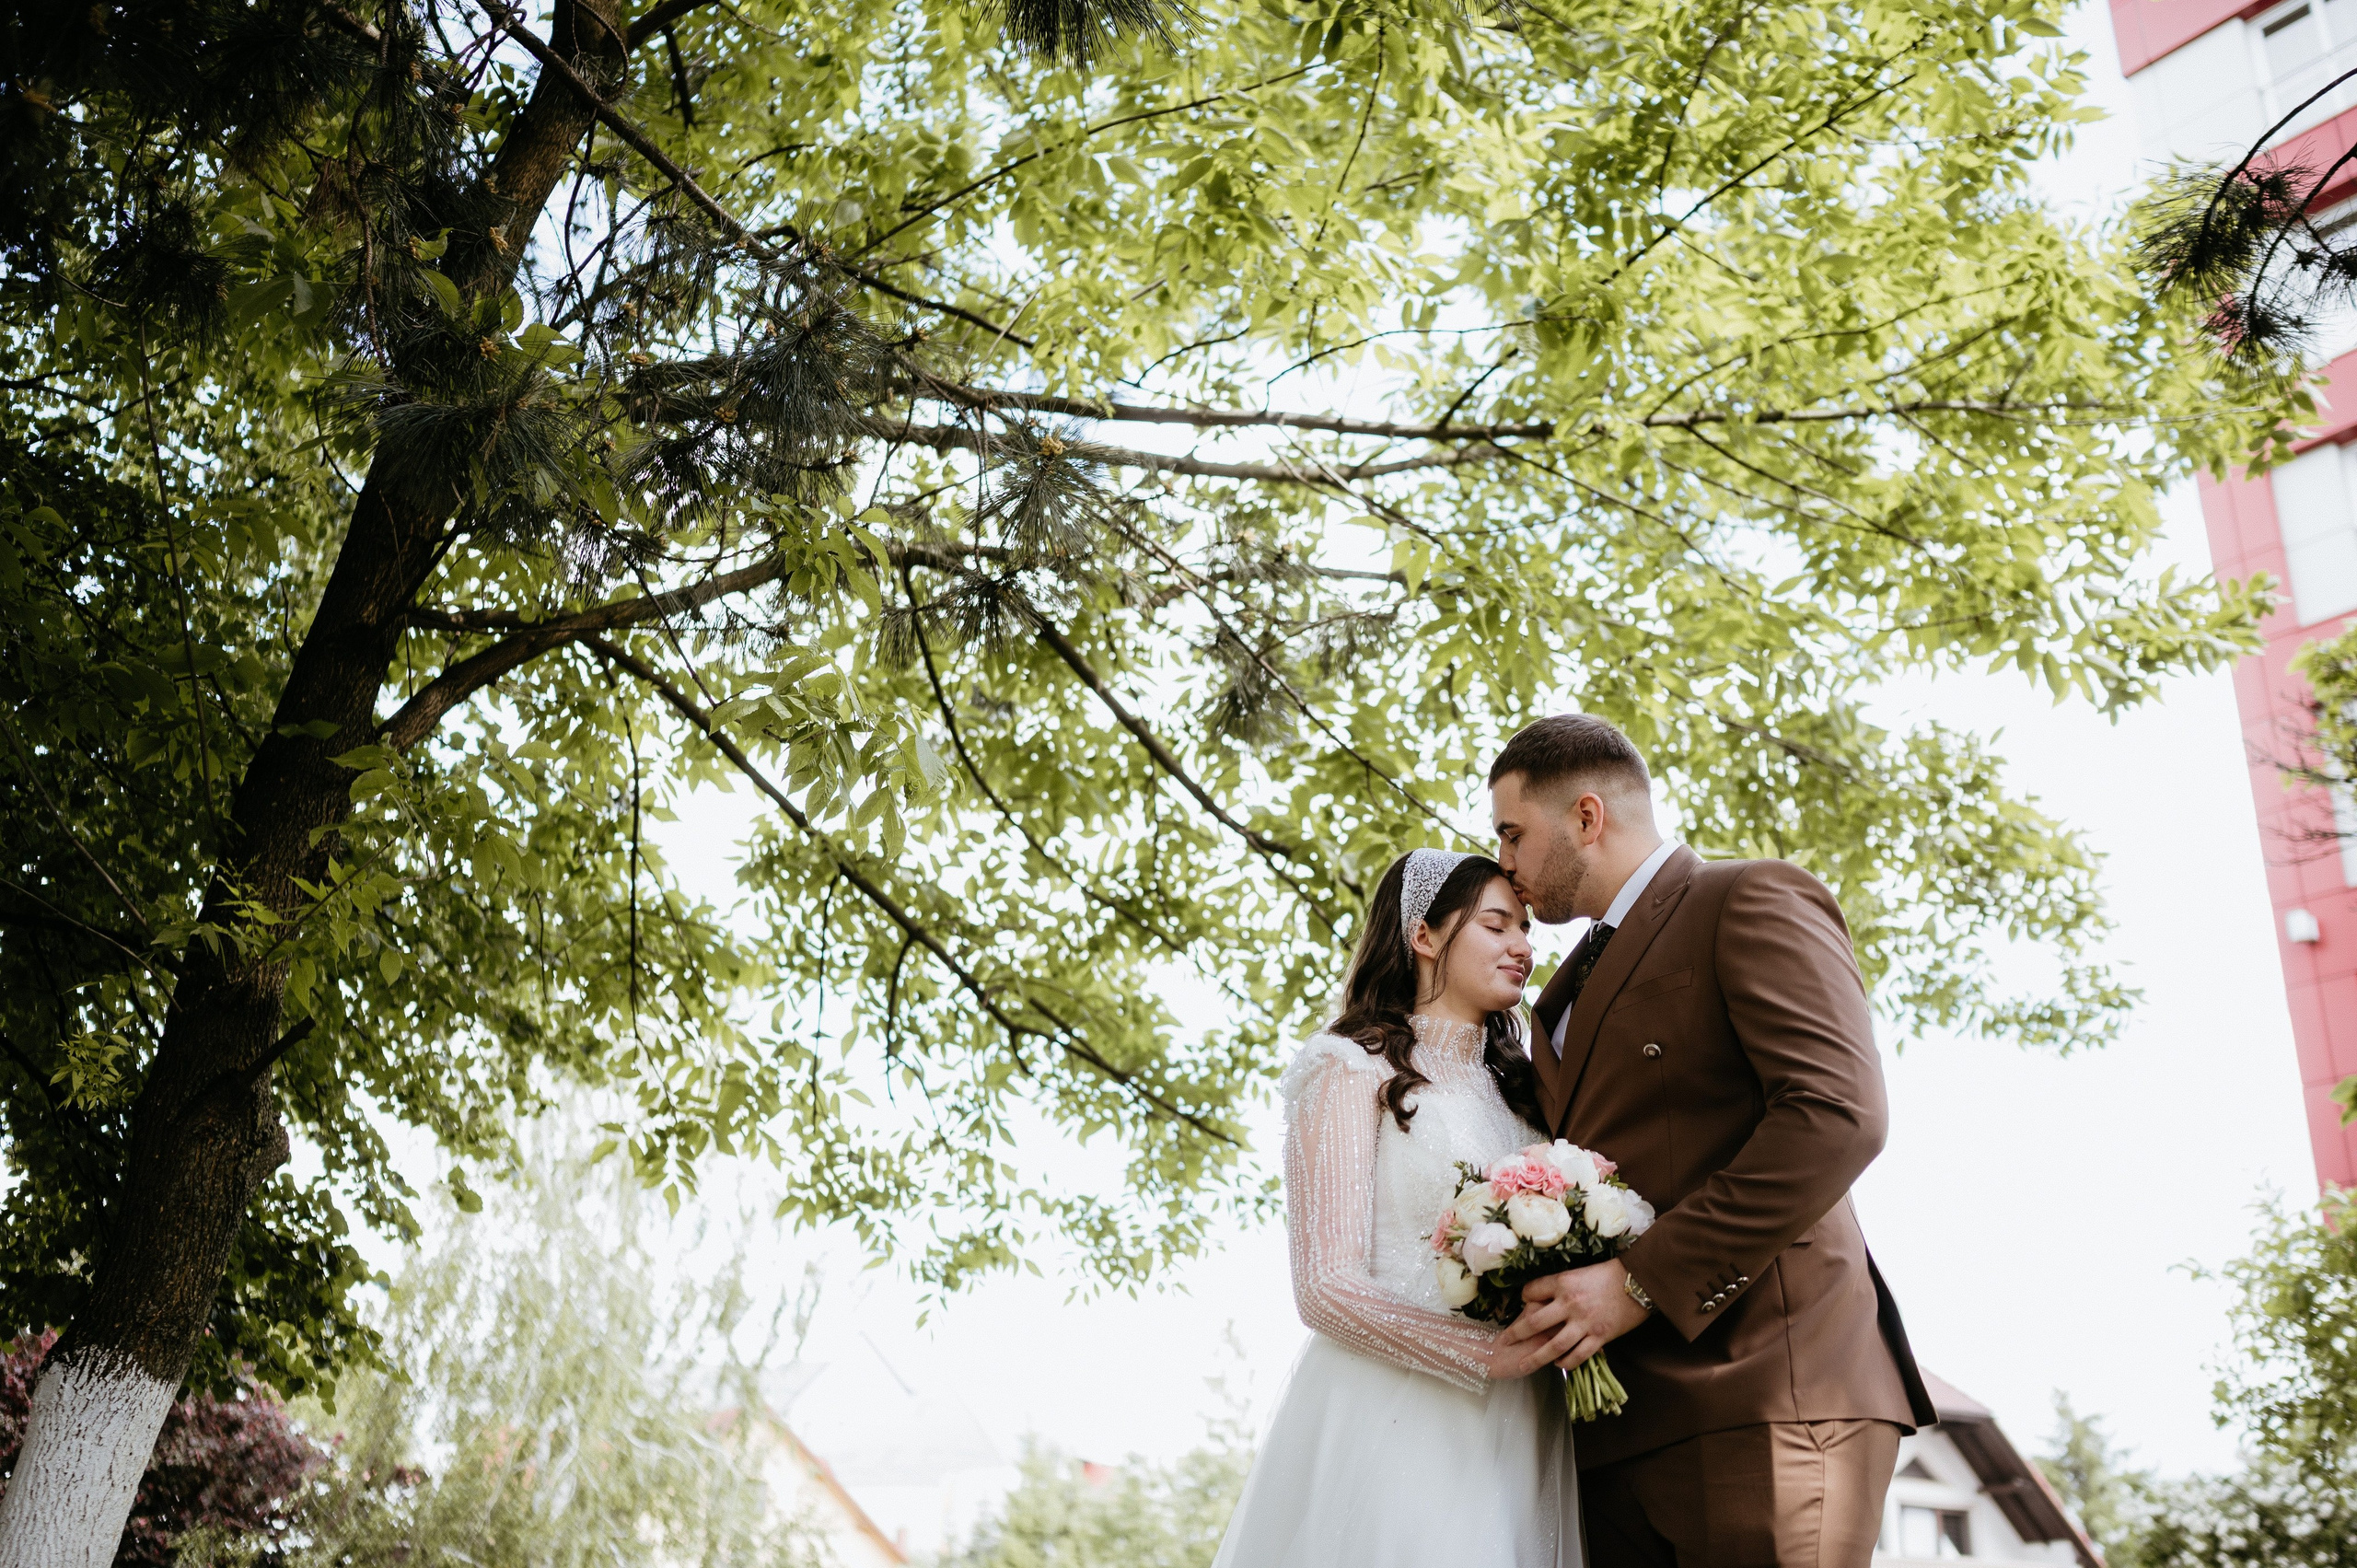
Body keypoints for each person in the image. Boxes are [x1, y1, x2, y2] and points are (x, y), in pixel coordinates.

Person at [1486, 714, 1937, 1568]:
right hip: (1618, 1425)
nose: (1504, 860)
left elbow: (1838, 1112)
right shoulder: (1553, 999)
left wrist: (1638, 1282)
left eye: (1513, 832)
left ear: (1586, 817)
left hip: (1770, 1388)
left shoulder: (1749, 895)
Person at [1211, 849, 1586, 1568]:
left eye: (1527, 929)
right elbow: (1323, 1286)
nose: (1524, 947)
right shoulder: (1349, 1068)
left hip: (1526, 1420)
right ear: (1424, 935)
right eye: (1498, 925)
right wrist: (1484, 1354)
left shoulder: (1525, 1085)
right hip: (1396, 1413)